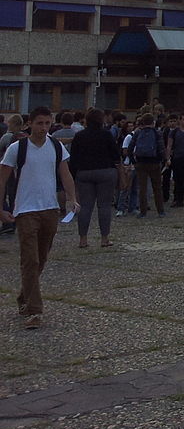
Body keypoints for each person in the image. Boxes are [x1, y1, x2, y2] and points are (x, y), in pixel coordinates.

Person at [0, 107, 80, 328]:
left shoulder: (55, 146)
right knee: (30, 259)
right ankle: (34, 311)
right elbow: (2, 178)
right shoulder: (17, 148)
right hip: (25, 210)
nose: (43, 128)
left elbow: (65, 173)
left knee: (41, 258)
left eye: (47, 123)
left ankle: (24, 297)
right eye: (39, 123)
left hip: (50, 209)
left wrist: (72, 199)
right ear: (30, 124)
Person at [69, 109, 121, 249]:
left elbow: (73, 158)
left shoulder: (79, 136)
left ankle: (83, 239)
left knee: (85, 206)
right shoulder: (106, 134)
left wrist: (74, 177)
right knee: (104, 206)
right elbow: (116, 155)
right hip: (105, 171)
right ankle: (104, 238)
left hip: (84, 172)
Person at [125, 114, 166, 218]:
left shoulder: (138, 132)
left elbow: (130, 149)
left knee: (142, 188)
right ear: (153, 122)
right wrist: (163, 160)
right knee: (157, 188)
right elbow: (161, 148)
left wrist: (134, 161)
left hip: (141, 163)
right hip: (154, 162)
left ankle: (143, 212)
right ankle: (160, 211)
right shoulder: (157, 133)